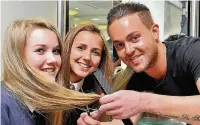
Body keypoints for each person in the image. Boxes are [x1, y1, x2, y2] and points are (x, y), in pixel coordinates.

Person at [77, 2, 200, 125]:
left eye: (135, 38)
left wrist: (143, 101)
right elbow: (122, 123)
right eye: (120, 45)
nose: (128, 50)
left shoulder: (192, 52)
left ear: (155, 32)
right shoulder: (139, 78)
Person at [1, 18, 100, 125]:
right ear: (17, 55)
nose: (53, 59)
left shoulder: (98, 85)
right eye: (40, 50)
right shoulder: (4, 102)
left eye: (56, 51)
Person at [62, 24, 113, 125]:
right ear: (67, 48)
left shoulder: (101, 82)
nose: (87, 57)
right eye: (80, 48)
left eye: (95, 52)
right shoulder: (50, 81)